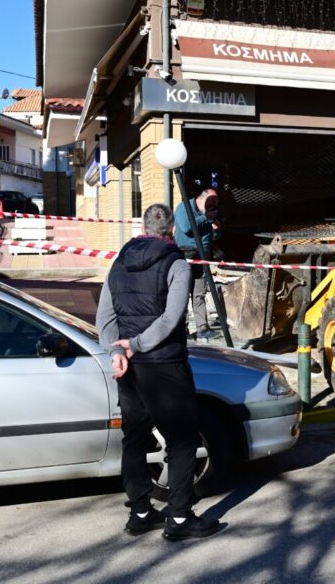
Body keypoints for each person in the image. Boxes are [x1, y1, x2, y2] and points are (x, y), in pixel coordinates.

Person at [96, 203, 224, 541]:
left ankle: (140, 513)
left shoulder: (119, 262)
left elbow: (104, 319)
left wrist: (118, 351)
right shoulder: (176, 264)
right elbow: (171, 319)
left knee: (134, 438)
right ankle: (179, 519)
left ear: (143, 227)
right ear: (171, 231)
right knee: (182, 441)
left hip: (130, 369)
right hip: (164, 365)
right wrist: (136, 345)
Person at [173, 188, 221, 340]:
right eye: (211, 201)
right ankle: (182, 329)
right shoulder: (184, 207)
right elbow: (187, 227)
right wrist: (205, 218)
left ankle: (203, 328)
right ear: (202, 199)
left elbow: (215, 236)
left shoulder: (209, 212)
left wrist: (216, 227)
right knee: (183, 293)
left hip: (202, 257)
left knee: (199, 294)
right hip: (185, 255)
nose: (213, 205)